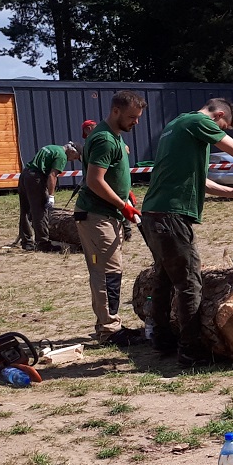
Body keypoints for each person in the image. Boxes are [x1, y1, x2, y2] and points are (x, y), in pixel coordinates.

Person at [139, 98, 233, 366]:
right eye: (224, 126)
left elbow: (196, 178)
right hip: (171, 215)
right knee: (189, 282)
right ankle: (191, 350)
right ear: (219, 114)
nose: (221, 132)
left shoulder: (177, 125)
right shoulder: (199, 122)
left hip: (154, 212)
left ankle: (162, 340)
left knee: (163, 278)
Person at [74, 91, 148, 345]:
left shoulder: (113, 137)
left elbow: (112, 172)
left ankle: (109, 325)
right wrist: (122, 205)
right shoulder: (105, 139)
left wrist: (126, 192)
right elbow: (95, 180)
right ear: (115, 111)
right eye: (131, 117)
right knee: (107, 272)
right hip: (97, 215)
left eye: (138, 117)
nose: (135, 122)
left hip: (108, 213)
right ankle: (109, 331)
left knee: (111, 270)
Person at [17, 141, 77, 251]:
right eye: (75, 157)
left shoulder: (52, 147)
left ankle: (27, 242)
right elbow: (52, 176)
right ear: (72, 151)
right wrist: (51, 196)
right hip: (36, 179)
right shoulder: (62, 156)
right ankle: (43, 243)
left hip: (25, 174)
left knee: (25, 210)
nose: (72, 160)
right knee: (40, 211)